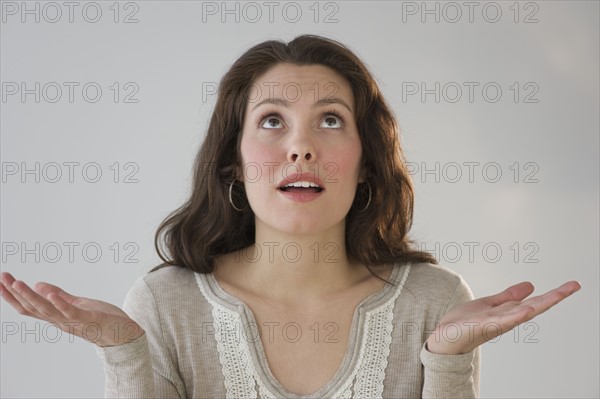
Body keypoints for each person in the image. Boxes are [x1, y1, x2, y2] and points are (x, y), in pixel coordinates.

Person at [0, 34, 581, 398]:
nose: (301, 147)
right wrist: (125, 353)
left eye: (330, 120)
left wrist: (447, 362)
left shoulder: (437, 300)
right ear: (233, 161)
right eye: (272, 121)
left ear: (365, 162)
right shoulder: (164, 304)